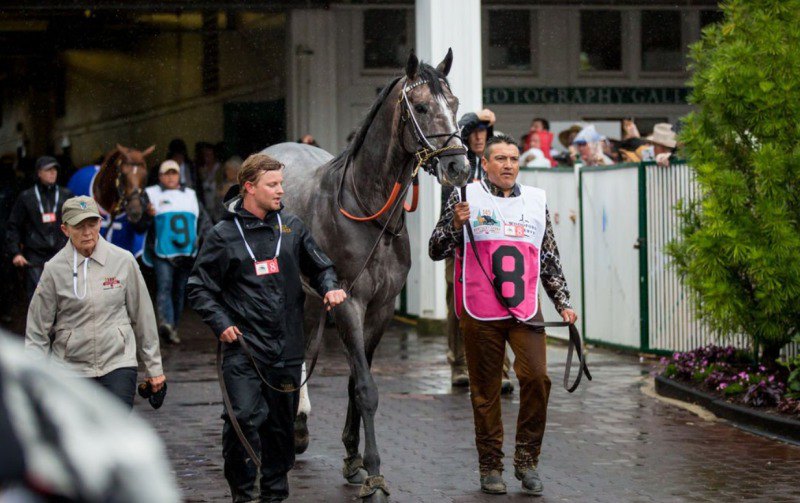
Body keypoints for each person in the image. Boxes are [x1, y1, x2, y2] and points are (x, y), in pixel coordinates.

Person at [187, 153, 346, 502]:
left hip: (288, 349)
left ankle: (275, 494)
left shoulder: (291, 226)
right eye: (272, 185)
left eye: (281, 184)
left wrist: (329, 286)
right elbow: (198, 288)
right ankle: (243, 495)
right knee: (243, 421)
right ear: (249, 187)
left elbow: (320, 266)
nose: (280, 191)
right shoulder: (222, 235)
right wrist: (221, 323)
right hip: (244, 348)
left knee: (280, 431)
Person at [429, 134, 577, 496]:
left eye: (513, 158)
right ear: (487, 163)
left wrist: (563, 302)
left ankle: (527, 460)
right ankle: (490, 466)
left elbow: (548, 256)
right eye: (500, 158)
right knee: (486, 390)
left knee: (537, 378)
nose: (508, 164)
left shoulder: (535, 200)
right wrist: (454, 225)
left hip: (524, 307)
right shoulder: (463, 196)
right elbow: (435, 249)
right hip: (480, 310)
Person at [24, 196, 166, 409]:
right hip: (69, 368)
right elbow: (37, 330)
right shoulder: (53, 269)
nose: (87, 232)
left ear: (100, 223)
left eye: (92, 224)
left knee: (116, 430)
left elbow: (142, 316)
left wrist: (154, 368)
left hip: (118, 361)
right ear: (65, 229)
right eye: (79, 226)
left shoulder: (123, 260)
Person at [143, 160, 211, 344]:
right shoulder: (150, 194)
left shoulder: (191, 195)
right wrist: (146, 215)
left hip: (187, 252)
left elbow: (203, 220)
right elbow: (139, 224)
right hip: (162, 252)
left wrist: (205, 242)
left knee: (180, 290)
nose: (170, 177)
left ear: (179, 175)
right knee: (165, 286)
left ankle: (173, 326)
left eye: (173, 173)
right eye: (166, 173)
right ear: (160, 177)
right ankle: (166, 323)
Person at [6, 156, 73, 302]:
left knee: (65, 297)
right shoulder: (26, 197)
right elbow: (13, 226)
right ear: (38, 173)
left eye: (55, 169)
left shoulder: (65, 194)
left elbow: (75, 222)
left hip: (61, 253)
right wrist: (16, 253)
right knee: (39, 299)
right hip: (35, 258)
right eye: (48, 169)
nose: (52, 172)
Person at [195, 141, 221, 218]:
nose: (207, 157)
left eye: (210, 155)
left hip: (217, 204)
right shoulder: (201, 169)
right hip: (205, 203)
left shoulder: (221, 168)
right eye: (206, 155)